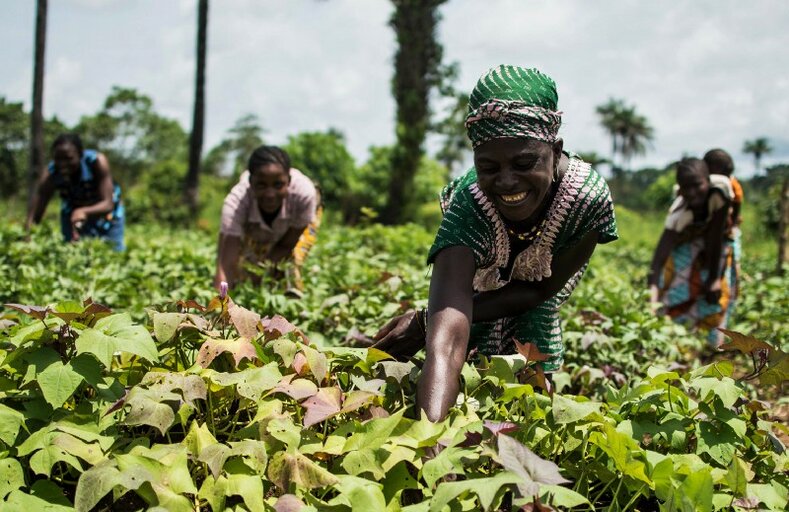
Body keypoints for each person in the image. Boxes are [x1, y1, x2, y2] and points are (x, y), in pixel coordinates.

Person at [373, 65, 618, 422]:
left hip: (537, 298)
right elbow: (447, 341)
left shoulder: (586, 200)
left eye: (524, 162)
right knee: (460, 355)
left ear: (555, 150)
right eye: (488, 166)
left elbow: (539, 292)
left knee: (526, 392)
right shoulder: (469, 204)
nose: (506, 182)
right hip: (477, 288)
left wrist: (424, 323)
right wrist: (429, 443)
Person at [648, 157, 735, 346]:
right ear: (679, 188)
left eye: (697, 185)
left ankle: (711, 347)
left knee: (716, 294)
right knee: (675, 291)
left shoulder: (721, 192)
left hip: (716, 244)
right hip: (686, 245)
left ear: (708, 181)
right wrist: (652, 296)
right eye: (685, 188)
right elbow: (658, 260)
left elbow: (716, 236)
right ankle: (680, 341)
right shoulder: (678, 214)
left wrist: (714, 278)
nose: (692, 192)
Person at [214, 145, 321, 295]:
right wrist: (219, 305)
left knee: (290, 263)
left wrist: (260, 273)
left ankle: (289, 298)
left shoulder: (304, 195)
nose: (270, 194)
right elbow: (226, 263)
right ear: (251, 182)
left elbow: (286, 245)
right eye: (262, 185)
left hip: (291, 230)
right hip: (256, 231)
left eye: (278, 185)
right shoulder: (236, 203)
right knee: (243, 268)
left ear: (288, 181)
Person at [25, 133, 125, 251]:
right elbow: (36, 212)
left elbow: (108, 204)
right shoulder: (51, 174)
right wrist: (28, 235)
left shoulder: (96, 162)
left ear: (80, 154)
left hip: (107, 215)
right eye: (58, 159)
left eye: (68, 158)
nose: (63, 164)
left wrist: (83, 211)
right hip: (72, 215)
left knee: (111, 253)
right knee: (72, 252)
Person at [704, 148, 743, 299]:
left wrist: (732, 223)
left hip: (725, 231)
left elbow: (738, 201)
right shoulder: (703, 183)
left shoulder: (729, 184)